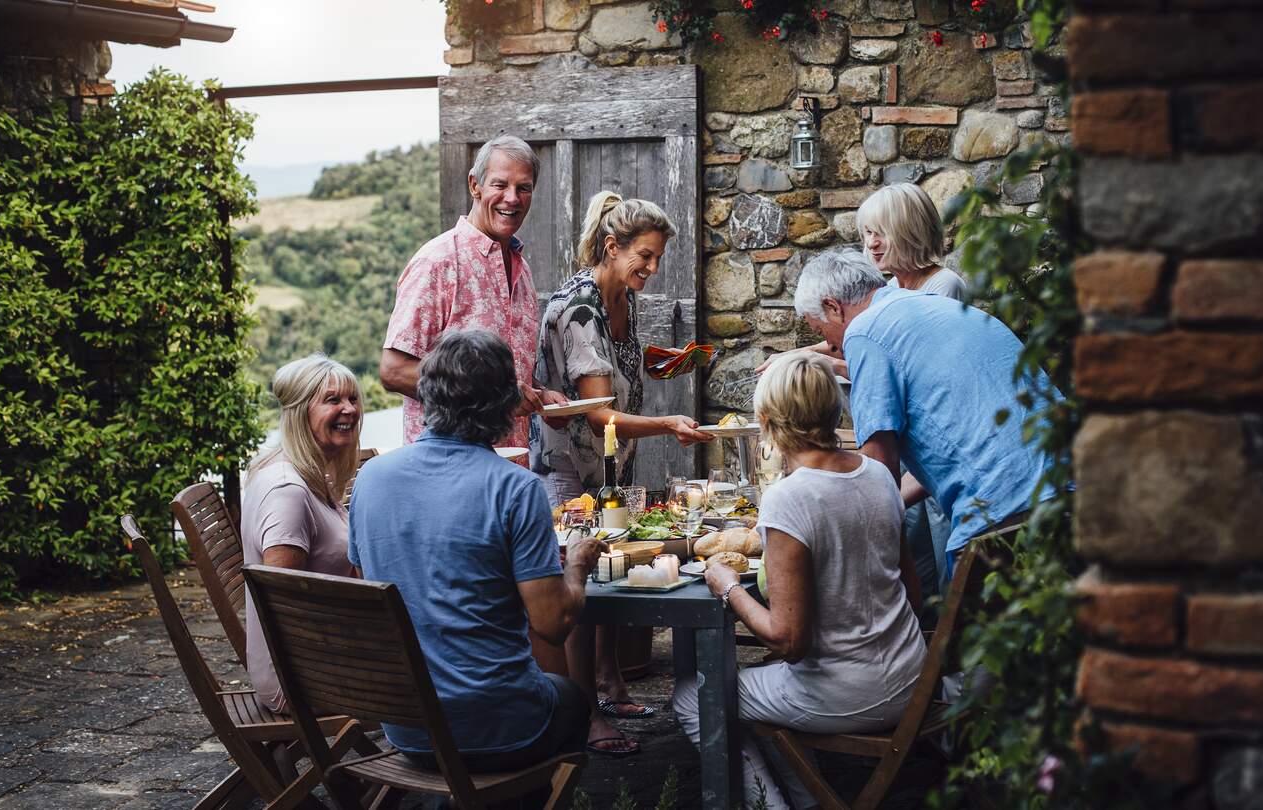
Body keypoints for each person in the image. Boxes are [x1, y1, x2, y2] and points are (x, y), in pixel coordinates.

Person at [673, 353, 925, 810]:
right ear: (834, 411)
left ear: (766, 421)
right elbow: (913, 592)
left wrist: (726, 584)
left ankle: (771, 805)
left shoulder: (790, 498)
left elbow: (790, 640)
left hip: (847, 695)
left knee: (695, 695)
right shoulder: (879, 475)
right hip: (912, 676)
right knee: (761, 685)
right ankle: (809, 798)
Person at [349, 330, 605, 782]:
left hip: (406, 727)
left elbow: (365, 583)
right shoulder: (514, 488)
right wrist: (579, 565)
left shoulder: (371, 478)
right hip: (497, 728)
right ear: (506, 404)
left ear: (427, 392)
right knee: (574, 702)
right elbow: (551, 623)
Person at [531, 190, 713, 755]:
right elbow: (600, 411)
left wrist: (670, 362)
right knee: (584, 586)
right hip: (567, 466)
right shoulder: (582, 309)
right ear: (611, 247)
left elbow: (621, 374)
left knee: (609, 569)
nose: (653, 270)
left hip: (609, 464)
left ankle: (609, 680)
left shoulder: (620, 302)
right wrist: (668, 425)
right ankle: (586, 714)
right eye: (646, 257)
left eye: (658, 258)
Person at [793, 249, 1059, 583]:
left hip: (1001, 516)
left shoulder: (864, 330)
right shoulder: (936, 306)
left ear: (834, 306)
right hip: (1068, 484)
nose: (830, 346)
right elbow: (955, 448)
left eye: (821, 331)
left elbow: (878, 472)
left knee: (970, 631)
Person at [379, 134, 566, 450]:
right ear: (474, 186)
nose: (512, 198)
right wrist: (495, 396)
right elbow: (394, 371)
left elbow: (509, 374)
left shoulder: (523, 271)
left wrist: (539, 394)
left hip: (509, 471)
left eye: (524, 188)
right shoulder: (437, 261)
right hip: (446, 473)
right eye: (500, 185)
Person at [858, 183, 967, 602]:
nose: (871, 243)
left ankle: (945, 660)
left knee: (945, 572)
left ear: (909, 230)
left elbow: (919, 372)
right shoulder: (892, 292)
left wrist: (832, 363)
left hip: (932, 459)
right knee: (913, 570)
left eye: (880, 231)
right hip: (906, 454)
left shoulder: (943, 287)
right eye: (867, 232)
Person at [241, 354, 362, 713]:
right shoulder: (287, 493)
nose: (350, 410)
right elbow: (284, 608)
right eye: (332, 400)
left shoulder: (306, 473)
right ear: (298, 412)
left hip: (320, 659)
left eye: (353, 399)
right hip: (299, 680)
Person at [859, 183, 968, 299]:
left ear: (913, 233)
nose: (871, 244)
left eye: (883, 233)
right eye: (869, 232)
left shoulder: (945, 285)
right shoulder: (891, 287)